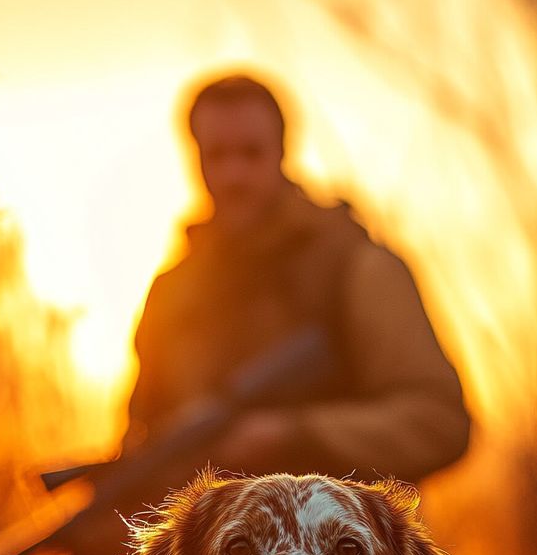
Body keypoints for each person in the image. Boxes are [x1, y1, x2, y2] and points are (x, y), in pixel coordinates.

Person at [121, 73, 471, 486]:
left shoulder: (358, 268)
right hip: (213, 528)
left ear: (283, 152)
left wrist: (297, 435)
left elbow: (438, 422)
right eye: (216, 155)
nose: (234, 174)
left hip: (338, 527)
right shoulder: (172, 291)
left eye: (251, 153)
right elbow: (139, 443)